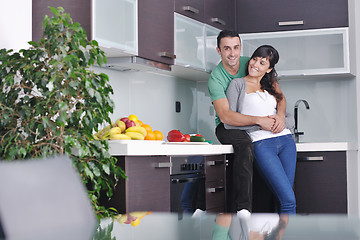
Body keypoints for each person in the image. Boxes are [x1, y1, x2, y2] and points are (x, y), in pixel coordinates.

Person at [208, 30, 288, 217]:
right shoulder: (216, 78)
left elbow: (280, 97)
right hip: (227, 125)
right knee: (245, 144)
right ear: (219, 51)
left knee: (261, 148)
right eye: (226, 48)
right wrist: (259, 121)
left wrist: (281, 117)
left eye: (236, 47)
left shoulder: (252, 62)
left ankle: (266, 213)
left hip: (255, 125)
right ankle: (243, 209)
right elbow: (226, 116)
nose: (232, 53)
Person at [224, 45, 297, 214]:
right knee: (288, 200)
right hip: (262, 144)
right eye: (255, 59)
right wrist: (259, 123)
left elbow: (283, 104)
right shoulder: (237, 85)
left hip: (286, 142)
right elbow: (230, 120)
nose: (255, 64)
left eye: (262, 62)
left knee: (282, 200)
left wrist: (280, 117)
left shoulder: (271, 83)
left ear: (269, 68)